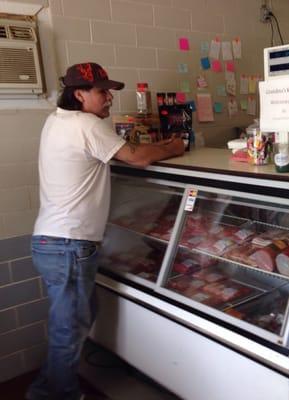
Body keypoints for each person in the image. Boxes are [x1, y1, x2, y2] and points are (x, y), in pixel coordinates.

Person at [26, 62, 184, 400]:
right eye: (102, 91)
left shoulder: (57, 120)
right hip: (69, 244)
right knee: (69, 330)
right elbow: (138, 157)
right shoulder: (85, 125)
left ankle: (44, 391)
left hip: (51, 242)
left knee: (76, 322)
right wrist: (172, 148)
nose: (109, 97)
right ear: (79, 94)